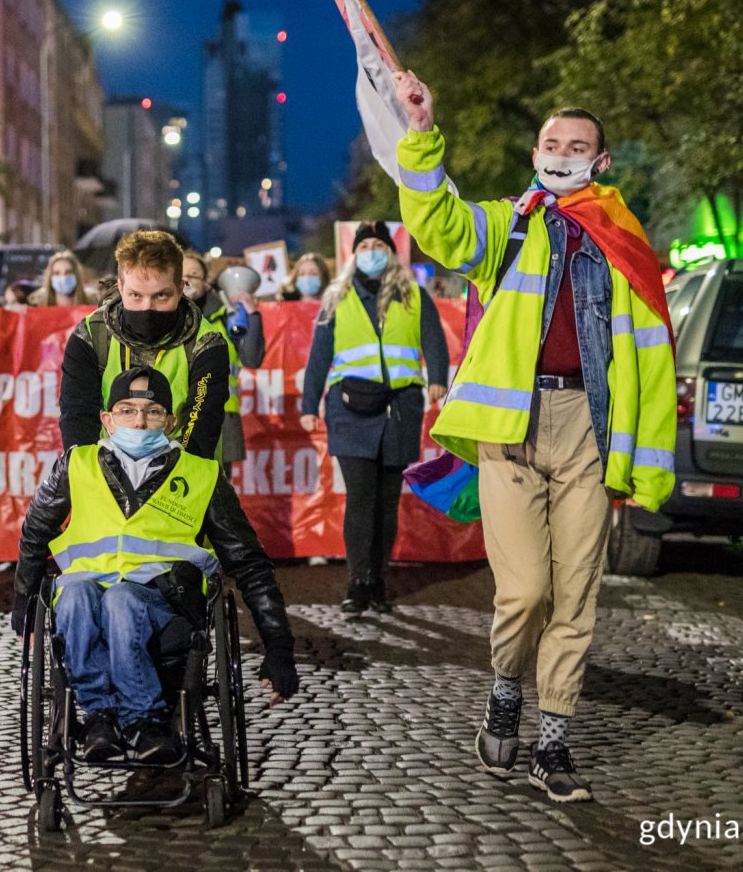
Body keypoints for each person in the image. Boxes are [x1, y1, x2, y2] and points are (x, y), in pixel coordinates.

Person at [393, 71, 676, 803]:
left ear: (600, 161)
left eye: (577, 146)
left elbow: (648, 360)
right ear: (534, 151)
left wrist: (644, 467)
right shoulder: (507, 224)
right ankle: (503, 693)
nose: (562, 153)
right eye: (552, 143)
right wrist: (422, 133)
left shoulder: (625, 244)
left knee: (576, 597)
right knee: (523, 594)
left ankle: (553, 743)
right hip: (509, 433)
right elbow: (439, 223)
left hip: (588, 432)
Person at [13, 367, 299, 762]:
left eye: (152, 411)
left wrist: (278, 646)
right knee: (75, 593)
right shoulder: (76, 465)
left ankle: (143, 720)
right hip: (86, 598)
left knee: (121, 600)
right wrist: (22, 601)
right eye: (127, 411)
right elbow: (34, 532)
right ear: (107, 419)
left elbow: (248, 561)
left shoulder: (201, 475)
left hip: (168, 605)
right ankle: (100, 717)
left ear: (172, 420)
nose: (140, 420)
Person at [299, 223, 449, 615]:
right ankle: (358, 582)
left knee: (386, 504)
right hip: (349, 410)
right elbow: (318, 357)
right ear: (353, 252)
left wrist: (436, 379)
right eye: (364, 245)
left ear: (391, 250)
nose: (370, 251)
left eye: (377, 245)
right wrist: (307, 405)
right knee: (360, 500)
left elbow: (433, 338)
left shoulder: (413, 294)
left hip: (400, 408)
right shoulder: (336, 297)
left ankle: (378, 581)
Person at [59, 230, 231, 459]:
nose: (147, 308)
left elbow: (202, 423)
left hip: (185, 477)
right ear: (120, 287)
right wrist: (95, 479)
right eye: (135, 296)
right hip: (104, 475)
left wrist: (168, 481)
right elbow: (77, 416)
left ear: (181, 288)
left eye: (161, 296)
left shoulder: (206, 342)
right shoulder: (91, 335)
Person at [181, 251, 265, 470]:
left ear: (207, 281)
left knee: (219, 491)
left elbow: (252, 358)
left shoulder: (227, 315)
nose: (187, 280)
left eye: (194, 274)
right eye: (181, 275)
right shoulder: (166, 317)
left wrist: (252, 316)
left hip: (221, 416)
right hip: (177, 414)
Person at [29, 249, 94, 306]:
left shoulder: (92, 301)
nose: (63, 278)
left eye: (68, 272)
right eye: (57, 273)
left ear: (76, 275)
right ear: (50, 278)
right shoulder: (37, 304)